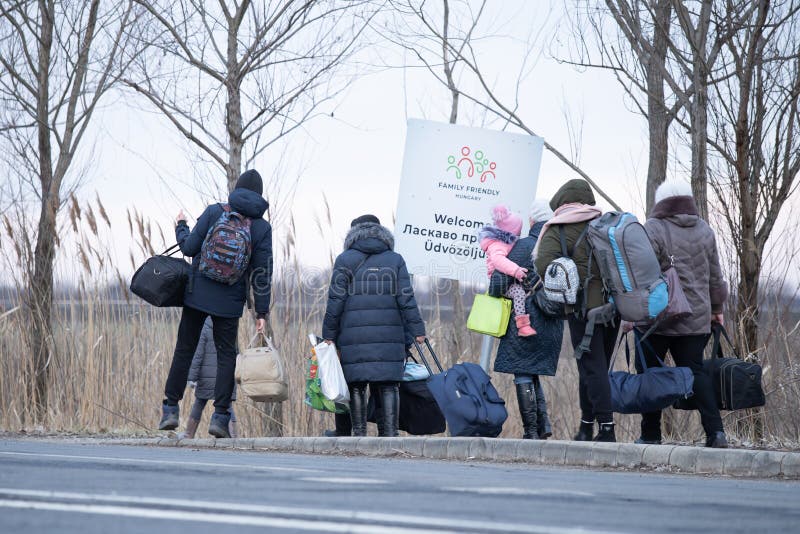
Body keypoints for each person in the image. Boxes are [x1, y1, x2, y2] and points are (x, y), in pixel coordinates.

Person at [158, 169, 272, 439]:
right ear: (259, 195)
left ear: (237, 188)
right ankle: (220, 417)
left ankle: (171, 408)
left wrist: (181, 226)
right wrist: (261, 311)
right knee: (226, 357)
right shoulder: (261, 228)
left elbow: (188, 248)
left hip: (197, 295)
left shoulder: (214, 211)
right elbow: (262, 272)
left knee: (184, 350)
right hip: (229, 303)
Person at [628, 180, 729, 448]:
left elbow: (640, 274)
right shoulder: (705, 229)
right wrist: (717, 309)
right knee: (695, 372)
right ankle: (716, 433)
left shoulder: (654, 228)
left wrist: (631, 312)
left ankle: (651, 434)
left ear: (661, 202)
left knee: (650, 373)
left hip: (657, 318)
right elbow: (715, 274)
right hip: (696, 317)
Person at [322, 214, 426, 437]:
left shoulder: (344, 260)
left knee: (357, 384)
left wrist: (328, 334)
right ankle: (389, 436)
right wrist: (418, 330)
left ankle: (359, 436)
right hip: (390, 335)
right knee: (389, 384)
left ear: (353, 234)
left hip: (353, 336)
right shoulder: (395, 260)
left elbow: (335, 301)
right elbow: (406, 298)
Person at [534, 179, 618, 442]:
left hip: (584, 310)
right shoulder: (605, 223)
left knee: (592, 369)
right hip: (615, 308)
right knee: (595, 368)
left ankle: (606, 429)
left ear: (561, 202)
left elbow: (544, 264)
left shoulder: (560, 227)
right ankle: (585, 426)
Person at [492, 199, 562, 439]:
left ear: (532, 221)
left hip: (526, 322)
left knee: (523, 372)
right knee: (532, 371)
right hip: (553, 323)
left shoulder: (523, 247)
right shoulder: (560, 248)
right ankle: (543, 427)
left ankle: (531, 432)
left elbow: (497, 285)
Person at [479, 205, 536, 337]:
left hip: (504, 279)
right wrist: (515, 270)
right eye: (518, 232)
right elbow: (498, 260)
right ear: (511, 231)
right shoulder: (499, 244)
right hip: (500, 281)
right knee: (519, 293)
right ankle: (523, 326)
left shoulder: (503, 241)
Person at [183, 318, 238, 439]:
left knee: (199, 403)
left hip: (205, 377)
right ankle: (232, 435)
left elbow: (198, 353)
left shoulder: (205, 327)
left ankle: (188, 434)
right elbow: (235, 353)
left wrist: (192, 377)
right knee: (227, 405)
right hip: (226, 377)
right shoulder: (230, 326)